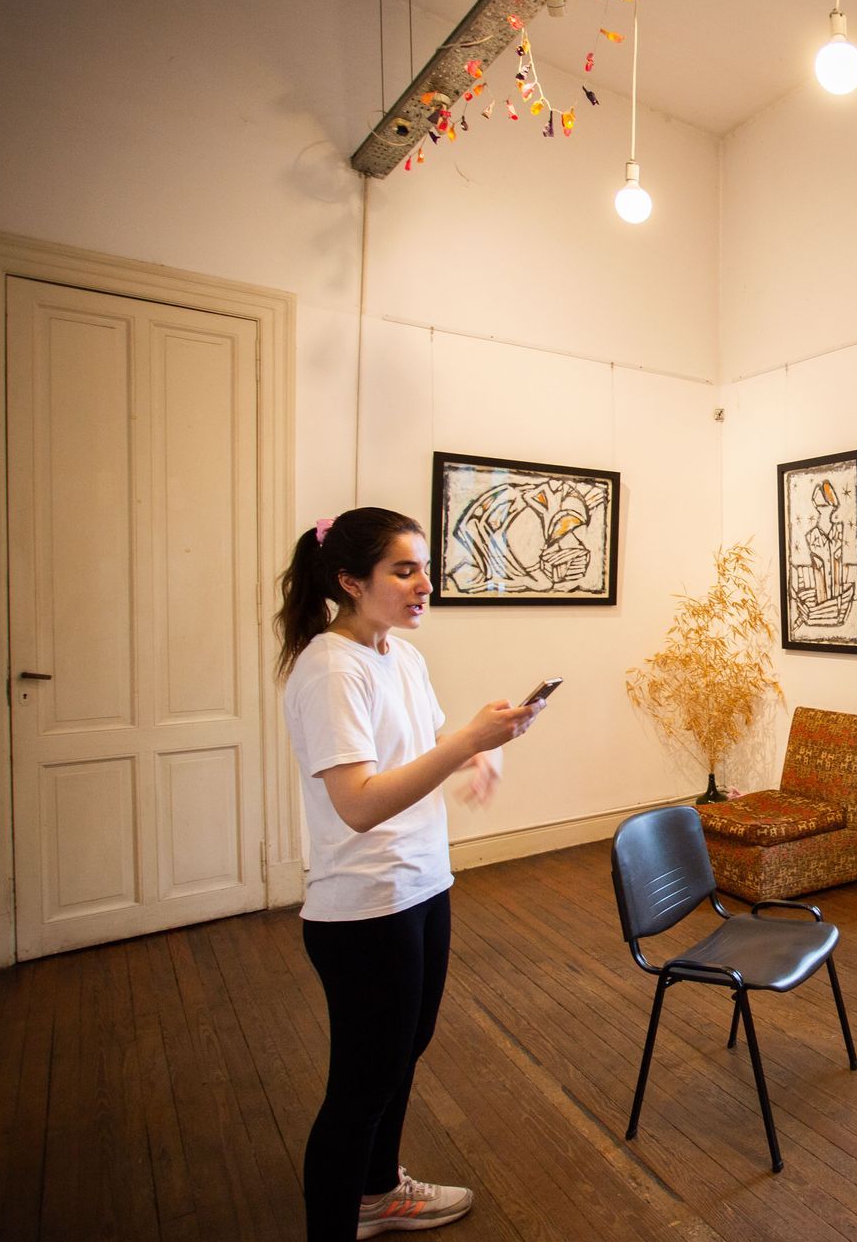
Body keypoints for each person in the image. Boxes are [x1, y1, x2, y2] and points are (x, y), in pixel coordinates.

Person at [275, 508, 542, 1240]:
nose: (426, 583)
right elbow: (357, 804)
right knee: (361, 1088)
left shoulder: (400, 655)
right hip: (365, 909)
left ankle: (377, 1192)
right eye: (404, 569)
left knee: (399, 1056)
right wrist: (466, 745)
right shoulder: (330, 669)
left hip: (422, 885)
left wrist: (481, 744)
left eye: (425, 567)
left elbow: (423, 745)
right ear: (349, 581)